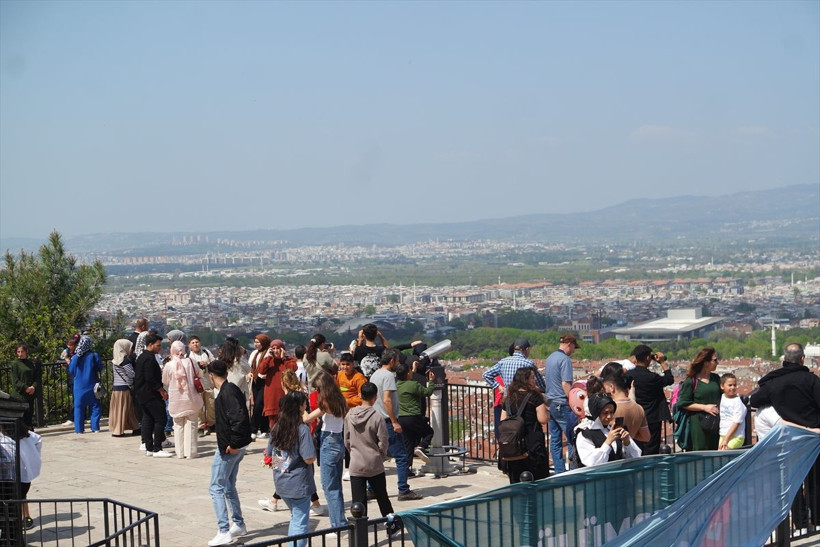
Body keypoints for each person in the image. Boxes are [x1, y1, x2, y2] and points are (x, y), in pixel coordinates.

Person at [750, 343, 820, 529]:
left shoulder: (773, 382)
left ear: (784, 360)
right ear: (802, 359)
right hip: (813, 438)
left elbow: (755, 401)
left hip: (788, 439)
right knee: (815, 481)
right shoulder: (811, 380)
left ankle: (801, 523)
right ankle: (818, 521)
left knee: (793, 482)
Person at [207, 359, 252, 546]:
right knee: (228, 486)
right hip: (235, 445)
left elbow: (239, 419)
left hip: (229, 447)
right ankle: (239, 523)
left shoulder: (227, 392)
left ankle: (224, 530)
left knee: (216, 487)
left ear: (211, 376)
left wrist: (233, 444)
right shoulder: (230, 389)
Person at [369, 348, 423, 501]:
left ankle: (371, 488)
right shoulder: (388, 377)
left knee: (377, 456)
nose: (399, 363)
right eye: (398, 360)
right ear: (392, 360)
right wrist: (394, 421)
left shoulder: (375, 374)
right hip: (386, 421)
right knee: (401, 456)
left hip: (374, 419)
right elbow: (387, 400)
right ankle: (403, 490)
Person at [269, 391, 316, 547]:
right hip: (298, 484)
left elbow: (271, 455)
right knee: (300, 523)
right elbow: (309, 458)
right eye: (304, 404)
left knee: (295, 518)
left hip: (281, 481)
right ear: (299, 407)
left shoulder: (276, 427)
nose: (306, 407)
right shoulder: (302, 429)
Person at [303, 372, 349, 530]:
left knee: (329, 487)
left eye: (318, 388)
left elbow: (307, 419)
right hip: (339, 441)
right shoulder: (341, 400)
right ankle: (340, 520)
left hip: (328, 441)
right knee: (337, 487)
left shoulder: (326, 403)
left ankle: (338, 525)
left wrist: (301, 406)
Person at [345, 382, 395, 517]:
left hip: (356, 462)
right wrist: (380, 455)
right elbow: (384, 441)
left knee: (358, 502)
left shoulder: (349, 416)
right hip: (374, 462)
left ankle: (360, 531)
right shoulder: (377, 417)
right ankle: (391, 524)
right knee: (382, 497)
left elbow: (347, 440)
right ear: (375, 397)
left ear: (360, 395)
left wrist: (353, 452)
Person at [499, 367, 549, 483]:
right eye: (532, 378)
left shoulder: (509, 398)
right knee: (537, 480)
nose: (535, 380)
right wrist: (548, 414)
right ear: (526, 380)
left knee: (515, 480)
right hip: (532, 444)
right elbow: (542, 419)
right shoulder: (535, 397)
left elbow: (502, 420)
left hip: (513, 445)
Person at [626, 345, 674, 455]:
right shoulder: (652, 377)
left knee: (634, 446)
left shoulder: (629, 375)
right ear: (648, 358)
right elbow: (669, 379)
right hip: (652, 418)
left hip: (634, 416)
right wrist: (662, 362)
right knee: (651, 448)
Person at [544, 334, 580, 473]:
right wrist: (573, 400)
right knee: (572, 437)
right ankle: (572, 470)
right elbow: (566, 384)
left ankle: (559, 470)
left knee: (555, 440)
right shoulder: (565, 360)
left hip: (551, 403)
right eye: (574, 348)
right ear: (569, 344)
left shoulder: (550, 358)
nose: (574, 351)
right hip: (562, 403)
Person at [162, 340, 203, 459]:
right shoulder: (191, 361)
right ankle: (190, 452)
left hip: (176, 399)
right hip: (191, 398)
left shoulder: (169, 365)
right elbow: (199, 374)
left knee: (178, 425)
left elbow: (165, 381)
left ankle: (180, 453)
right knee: (191, 424)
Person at [576, 393, 641, 467]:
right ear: (596, 413)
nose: (609, 416)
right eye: (605, 413)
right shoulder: (584, 435)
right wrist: (608, 442)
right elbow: (592, 463)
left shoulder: (614, 429)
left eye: (611, 412)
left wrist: (627, 443)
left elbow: (636, 457)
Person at [676, 347, 722, 451]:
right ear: (706, 362)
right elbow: (683, 403)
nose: (717, 362)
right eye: (715, 360)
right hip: (698, 424)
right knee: (700, 450)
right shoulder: (691, 381)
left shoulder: (716, 378)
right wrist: (704, 407)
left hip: (715, 422)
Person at [135, 333, 173, 457]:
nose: (159, 348)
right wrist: (161, 391)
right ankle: (157, 448)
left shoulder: (142, 357)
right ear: (150, 345)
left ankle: (149, 447)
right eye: (158, 345)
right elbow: (150, 378)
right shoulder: (149, 359)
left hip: (142, 394)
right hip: (151, 395)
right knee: (160, 418)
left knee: (148, 419)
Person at [396, 361, 435, 471]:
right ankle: (421, 447)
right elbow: (427, 392)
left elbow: (408, 381)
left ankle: (407, 470)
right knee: (428, 432)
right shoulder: (414, 385)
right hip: (414, 416)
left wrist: (413, 369)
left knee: (408, 444)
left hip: (401, 418)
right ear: (408, 374)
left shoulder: (397, 385)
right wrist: (431, 381)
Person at [600, 362, 650, 444]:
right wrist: (629, 436)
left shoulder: (608, 409)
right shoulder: (639, 408)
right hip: (630, 452)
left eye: (604, 387)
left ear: (612, 387)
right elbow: (646, 437)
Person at [336, 352, 366, 481]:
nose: (345, 367)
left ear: (353, 364)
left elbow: (362, 398)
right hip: (342, 413)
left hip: (355, 414)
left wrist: (347, 401)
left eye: (347, 364)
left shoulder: (359, 378)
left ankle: (353, 467)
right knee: (345, 440)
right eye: (342, 364)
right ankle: (348, 467)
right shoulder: (339, 375)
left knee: (355, 441)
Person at [258, 339, 297, 429]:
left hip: (285, 394)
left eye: (278, 348)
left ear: (282, 349)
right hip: (272, 395)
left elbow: (292, 369)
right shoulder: (269, 360)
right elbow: (261, 370)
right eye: (273, 348)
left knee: (287, 420)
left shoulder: (289, 359)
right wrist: (268, 357)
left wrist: (284, 358)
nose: (276, 351)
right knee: (273, 423)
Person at [68, 335, 103, 434]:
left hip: (79, 386)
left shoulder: (75, 357)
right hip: (92, 384)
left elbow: (71, 370)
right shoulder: (94, 355)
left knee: (78, 407)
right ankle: (95, 427)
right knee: (95, 406)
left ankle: (79, 429)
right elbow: (99, 368)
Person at [109, 339, 140, 437]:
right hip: (124, 388)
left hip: (116, 388)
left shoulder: (115, 360)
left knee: (121, 409)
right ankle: (119, 430)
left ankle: (135, 427)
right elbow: (131, 374)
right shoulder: (125, 360)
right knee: (124, 409)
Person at [189, 335, 215, 435]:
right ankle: (200, 425)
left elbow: (214, 363)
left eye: (197, 342)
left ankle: (211, 424)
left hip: (208, 382)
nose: (195, 344)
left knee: (211, 405)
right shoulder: (189, 355)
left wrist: (207, 364)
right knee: (199, 407)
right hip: (196, 384)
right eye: (193, 343)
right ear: (190, 345)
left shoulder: (206, 352)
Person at [18, 424, 42, 530]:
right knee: (21, 496)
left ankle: (26, 518)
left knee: (20, 496)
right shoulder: (27, 435)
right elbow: (38, 440)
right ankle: (26, 518)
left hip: (20, 475)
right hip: (24, 474)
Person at [249, 334, 272, 439]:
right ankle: (263, 429)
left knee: (259, 405)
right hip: (255, 381)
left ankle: (254, 429)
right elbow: (250, 366)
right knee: (259, 406)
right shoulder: (254, 353)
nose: (256, 344)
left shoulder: (268, 352)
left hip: (265, 382)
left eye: (258, 342)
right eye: (255, 342)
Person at [219, 337, 252, 409]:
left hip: (225, 390)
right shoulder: (238, 360)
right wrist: (243, 354)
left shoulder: (222, 359)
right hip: (238, 391)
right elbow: (249, 369)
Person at [11, 343, 37, 430]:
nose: (20, 354)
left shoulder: (30, 363)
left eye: (22, 351)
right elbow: (15, 381)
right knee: (22, 417)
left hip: (30, 394)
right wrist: (25, 387)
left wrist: (33, 387)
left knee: (29, 415)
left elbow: (36, 377)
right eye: (18, 352)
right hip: (20, 394)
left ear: (26, 351)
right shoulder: (15, 364)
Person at [718, 373, 746, 450]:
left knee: (724, 454)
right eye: (730, 385)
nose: (733, 387)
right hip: (723, 434)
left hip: (736, 436)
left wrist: (726, 439)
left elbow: (737, 422)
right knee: (720, 456)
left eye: (734, 385)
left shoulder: (737, 402)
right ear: (722, 386)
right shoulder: (722, 397)